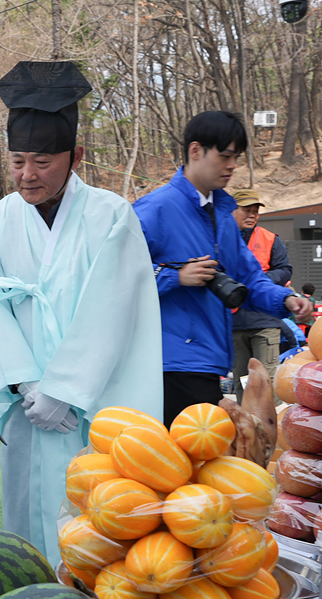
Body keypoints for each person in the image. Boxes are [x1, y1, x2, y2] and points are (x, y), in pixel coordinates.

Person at [0, 61, 162, 563]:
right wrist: (27, 385)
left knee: (97, 528)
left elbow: (114, 311)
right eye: (17, 161)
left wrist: (64, 391)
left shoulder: (110, 216)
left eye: (42, 161)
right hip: (28, 407)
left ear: (75, 156)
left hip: (92, 406)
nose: (27, 175)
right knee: (28, 532)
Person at [132, 111, 312, 424]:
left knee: (205, 451)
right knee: (187, 451)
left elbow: (249, 278)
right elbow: (116, 277)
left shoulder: (223, 217)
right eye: (225, 156)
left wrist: (286, 300)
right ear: (195, 151)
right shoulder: (154, 209)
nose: (232, 166)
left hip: (208, 360)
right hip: (167, 363)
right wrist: (176, 277)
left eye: (236, 157)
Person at [228, 188, 292, 403]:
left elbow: (285, 270)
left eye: (255, 211)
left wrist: (261, 281)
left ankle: (271, 422)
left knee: (267, 380)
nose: (252, 215)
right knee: (241, 381)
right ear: (232, 210)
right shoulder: (219, 239)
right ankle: (245, 420)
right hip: (234, 322)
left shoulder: (270, 239)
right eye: (247, 210)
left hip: (265, 321)